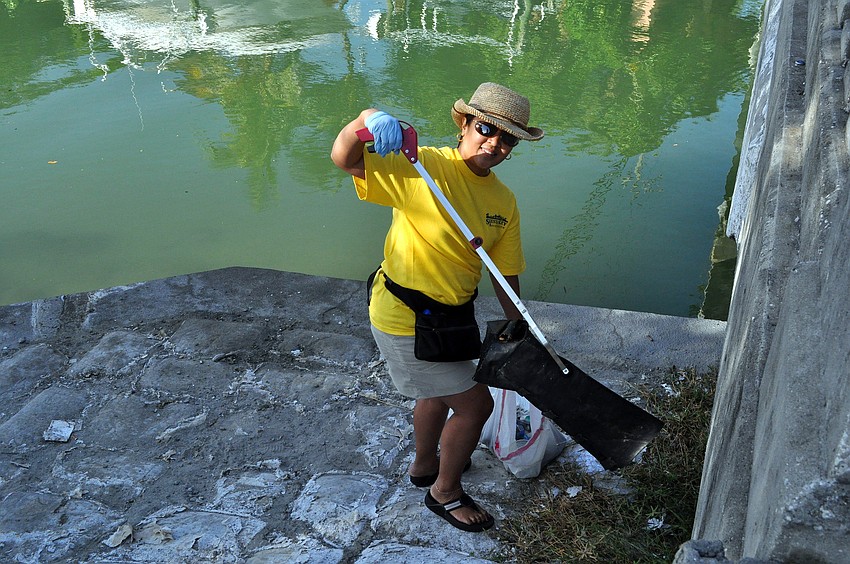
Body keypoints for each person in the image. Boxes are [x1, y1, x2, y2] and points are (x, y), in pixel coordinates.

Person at [330, 82, 544, 532]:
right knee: (475, 406)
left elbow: (503, 272)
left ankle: (425, 465)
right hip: (403, 316)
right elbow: (345, 159)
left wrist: (518, 327)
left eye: (508, 138)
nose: (495, 143)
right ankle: (444, 492)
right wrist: (365, 122)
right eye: (486, 128)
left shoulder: (504, 202)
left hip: (451, 319)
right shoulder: (421, 167)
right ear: (464, 124)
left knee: (435, 394)